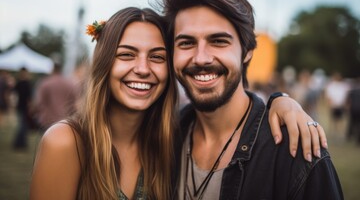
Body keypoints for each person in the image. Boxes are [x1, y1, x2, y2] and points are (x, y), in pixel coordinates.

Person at [30, 10, 326, 199]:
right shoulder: (67, 143)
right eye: (127, 55)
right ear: (104, 65)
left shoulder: (169, 140)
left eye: (157, 57)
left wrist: (282, 102)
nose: (143, 69)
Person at [158, 0, 343, 199]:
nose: (201, 58)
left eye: (218, 41)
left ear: (247, 52)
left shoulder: (297, 152)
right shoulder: (162, 137)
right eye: (186, 43)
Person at [34, 62, 78, 131]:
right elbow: (74, 103)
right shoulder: (69, 84)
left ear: (53, 68)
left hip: (48, 122)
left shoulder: (46, 83)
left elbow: (39, 103)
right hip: (65, 122)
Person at [12, 67, 33, 149]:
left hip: (24, 107)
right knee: (22, 125)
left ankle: (20, 142)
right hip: (21, 106)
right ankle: (20, 143)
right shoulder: (21, 83)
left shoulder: (26, 83)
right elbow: (14, 94)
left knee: (22, 125)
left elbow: (29, 97)